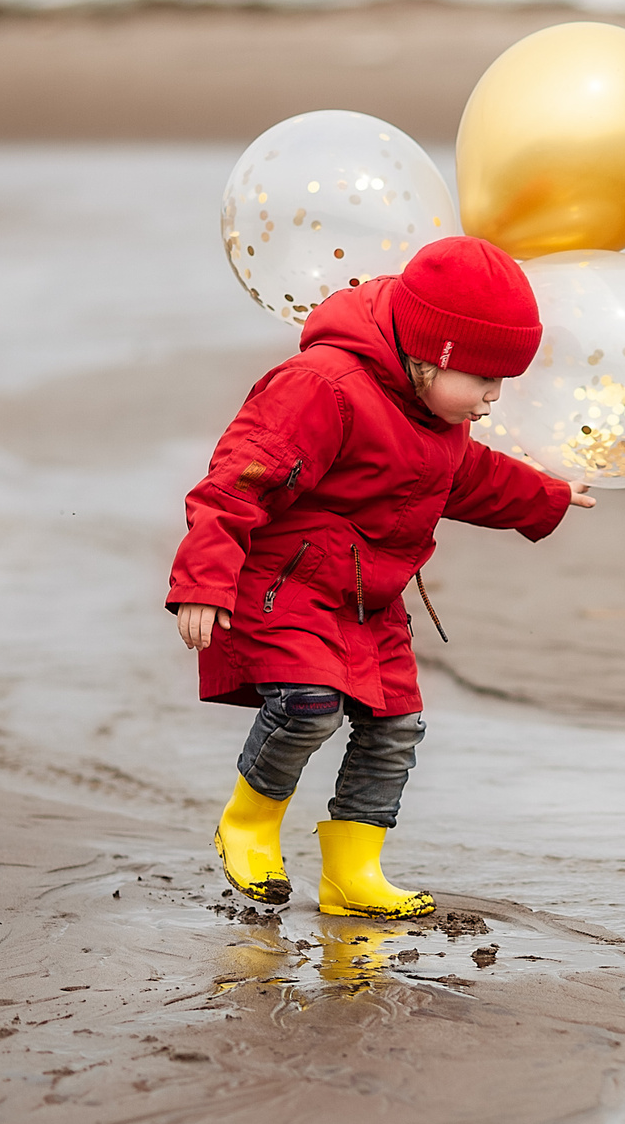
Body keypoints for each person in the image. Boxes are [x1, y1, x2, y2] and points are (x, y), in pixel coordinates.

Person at [166, 237, 591, 917]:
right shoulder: (322, 388)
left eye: (502, 383)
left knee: (397, 727)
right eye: (484, 380)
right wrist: (202, 581)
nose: (492, 399)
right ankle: (248, 821)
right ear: (433, 355)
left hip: (370, 600)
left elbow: (468, 476)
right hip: (287, 585)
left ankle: (351, 871)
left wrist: (545, 497)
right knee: (309, 706)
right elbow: (236, 481)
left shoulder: (435, 412)